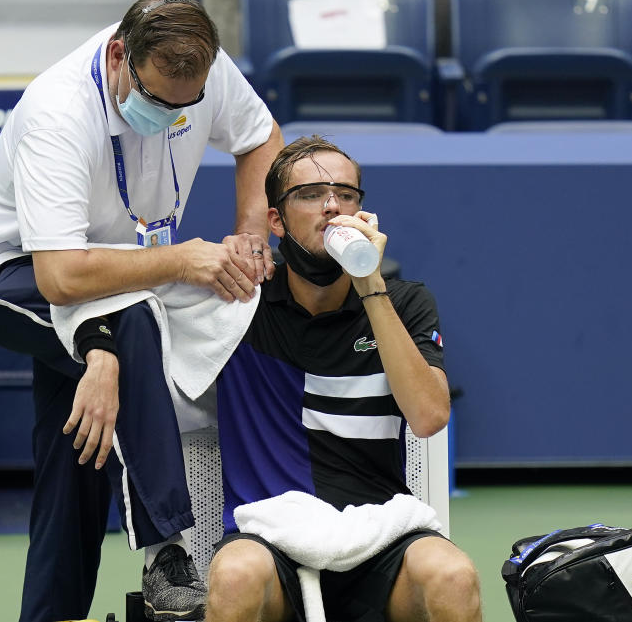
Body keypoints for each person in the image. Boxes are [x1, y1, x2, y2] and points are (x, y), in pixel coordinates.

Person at [0, 0, 283, 622]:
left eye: (188, 107)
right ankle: (166, 552)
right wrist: (172, 270)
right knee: (133, 325)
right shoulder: (59, 112)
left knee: (79, 452)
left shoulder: (201, 68)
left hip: (117, 276)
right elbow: (61, 275)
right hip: (6, 275)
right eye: (157, 102)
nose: (173, 116)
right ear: (122, 57)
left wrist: (250, 233)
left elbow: (260, 138)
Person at [205, 136, 482, 622]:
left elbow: (429, 416)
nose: (332, 205)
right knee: (233, 577)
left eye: (345, 194)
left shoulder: (405, 302)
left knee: (453, 577)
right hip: (274, 539)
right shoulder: (238, 305)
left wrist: (369, 283)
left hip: (379, 536)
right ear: (276, 221)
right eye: (311, 194)